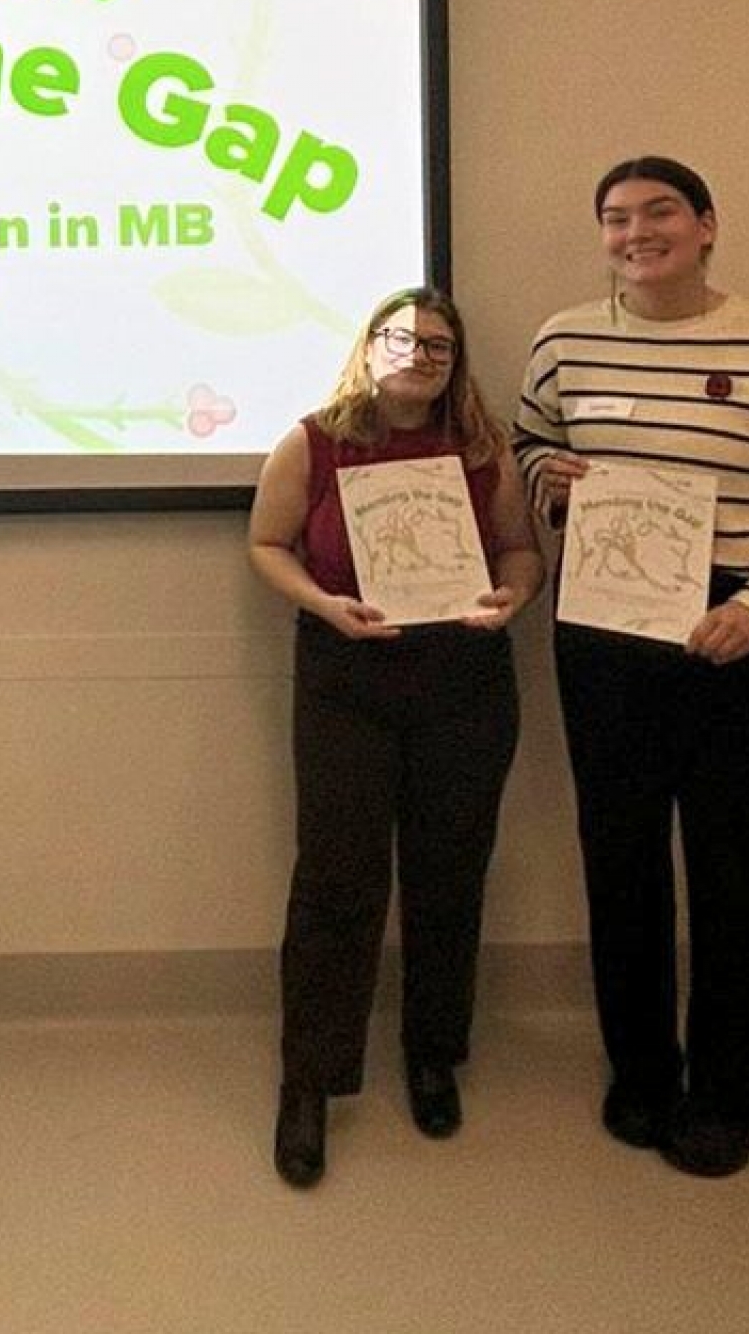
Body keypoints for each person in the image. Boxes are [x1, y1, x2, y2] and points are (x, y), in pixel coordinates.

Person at [515, 154, 749, 1178]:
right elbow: (531, 436)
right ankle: (640, 1076)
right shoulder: (563, 339)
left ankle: (732, 1094)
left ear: (707, 224)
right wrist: (553, 478)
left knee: (744, 874)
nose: (637, 233)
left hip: (737, 637)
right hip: (605, 628)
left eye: (659, 212)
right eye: (615, 218)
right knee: (618, 863)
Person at [248, 287, 543, 1189]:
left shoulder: (483, 448)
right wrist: (325, 606)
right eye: (403, 339)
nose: (421, 355)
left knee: (449, 873)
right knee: (337, 880)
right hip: (347, 677)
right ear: (368, 347)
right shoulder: (314, 440)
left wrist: (512, 599)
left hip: (464, 681)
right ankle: (311, 1080)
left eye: (440, 345)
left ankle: (432, 1056)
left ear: (458, 362)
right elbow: (268, 542)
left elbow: (522, 556)